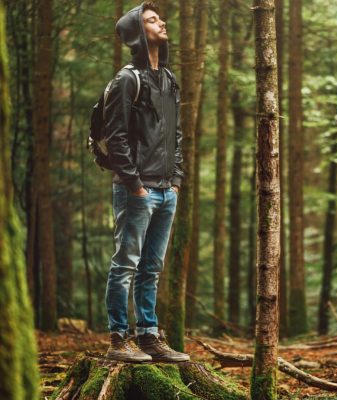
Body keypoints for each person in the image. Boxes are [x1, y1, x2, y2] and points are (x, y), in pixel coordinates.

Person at [103, 1, 189, 363]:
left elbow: (176, 134)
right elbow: (116, 135)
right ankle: (119, 340)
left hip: (166, 189)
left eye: (160, 18)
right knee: (126, 264)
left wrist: (177, 180)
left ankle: (149, 336)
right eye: (152, 20)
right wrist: (135, 184)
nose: (161, 22)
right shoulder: (127, 80)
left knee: (152, 268)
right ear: (138, 32)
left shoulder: (168, 79)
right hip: (136, 189)